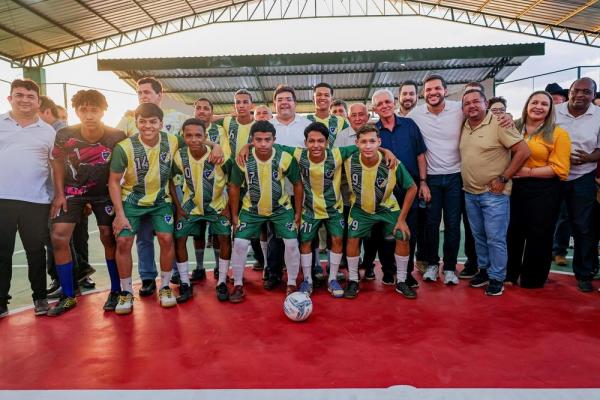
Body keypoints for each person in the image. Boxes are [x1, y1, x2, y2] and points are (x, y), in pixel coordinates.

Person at [47, 90, 126, 316]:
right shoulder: (64, 134)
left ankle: (116, 291)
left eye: (94, 110)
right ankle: (69, 295)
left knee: (108, 236)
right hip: (74, 191)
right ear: (77, 111)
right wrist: (60, 194)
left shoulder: (117, 136)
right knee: (59, 235)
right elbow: (58, 163)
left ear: (103, 111)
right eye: (84, 110)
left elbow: (124, 167)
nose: (89, 115)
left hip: (104, 193)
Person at [117, 77, 189, 297]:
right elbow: (114, 141)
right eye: (139, 93)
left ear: (160, 95)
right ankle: (148, 277)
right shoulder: (129, 119)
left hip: (166, 187)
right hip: (137, 191)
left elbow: (198, 128)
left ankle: (174, 273)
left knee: (169, 234)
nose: (142, 96)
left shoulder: (177, 118)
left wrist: (213, 145)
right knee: (144, 237)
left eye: (147, 92)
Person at [108, 103, 181, 314]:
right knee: (123, 241)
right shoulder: (124, 147)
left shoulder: (173, 141)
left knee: (167, 239)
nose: (147, 126)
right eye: (143, 121)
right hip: (132, 201)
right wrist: (120, 214)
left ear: (160, 123)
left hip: (160, 200)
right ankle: (126, 292)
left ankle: (165, 287)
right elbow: (113, 181)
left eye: (152, 121)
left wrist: (214, 146)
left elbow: (196, 136)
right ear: (136, 122)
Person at [460, 89, 530, 296]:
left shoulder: (499, 123)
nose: (472, 106)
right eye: (467, 103)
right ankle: (484, 271)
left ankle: (497, 277)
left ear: (485, 104)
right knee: (479, 236)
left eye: (476, 102)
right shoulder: (464, 125)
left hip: (494, 195)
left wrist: (504, 178)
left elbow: (524, 151)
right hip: (470, 193)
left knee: (495, 238)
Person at [228, 121, 303, 302]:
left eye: (267, 140)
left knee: (292, 243)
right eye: (258, 140)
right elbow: (234, 187)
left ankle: (291, 283)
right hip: (251, 209)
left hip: (280, 208)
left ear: (274, 140)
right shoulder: (243, 159)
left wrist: (298, 213)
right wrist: (235, 214)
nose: (263, 144)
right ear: (252, 140)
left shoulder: (285, 157)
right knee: (239, 244)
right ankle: (238, 284)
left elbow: (298, 184)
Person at [0, 79, 54, 318]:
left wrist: (56, 197)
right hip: (2, 200)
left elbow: (54, 167)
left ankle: (40, 298)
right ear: (10, 98)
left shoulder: (48, 131)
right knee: (2, 252)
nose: (24, 99)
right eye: (19, 95)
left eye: (30, 96)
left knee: (36, 251)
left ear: (38, 101)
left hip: (36, 201)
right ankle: (1, 300)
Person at [344, 124, 418, 299]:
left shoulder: (391, 162)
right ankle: (353, 280)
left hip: (387, 207)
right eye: (363, 142)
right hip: (361, 209)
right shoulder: (348, 159)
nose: (368, 145)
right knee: (352, 238)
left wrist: (402, 219)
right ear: (356, 143)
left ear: (379, 142)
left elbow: (412, 188)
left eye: (372, 141)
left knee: (403, 235)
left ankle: (401, 280)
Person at [506, 91, 571, 288]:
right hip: (515, 189)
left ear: (550, 109)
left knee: (539, 234)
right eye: (534, 102)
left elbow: (561, 169)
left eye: (544, 104)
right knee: (513, 232)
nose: (539, 106)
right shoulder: (513, 128)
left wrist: (528, 172)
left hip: (544, 190)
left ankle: (532, 279)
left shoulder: (559, 134)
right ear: (526, 105)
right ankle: (509, 274)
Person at [170, 118, 233, 302]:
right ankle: (184, 283)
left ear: (205, 137)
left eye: (198, 135)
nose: (194, 139)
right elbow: (169, 181)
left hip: (217, 206)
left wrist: (229, 207)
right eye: (189, 135)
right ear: (183, 136)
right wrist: (179, 206)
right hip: (191, 206)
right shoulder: (179, 156)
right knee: (179, 238)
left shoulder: (219, 156)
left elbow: (233, 182)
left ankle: (221, 281)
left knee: (224, 238)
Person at [372, 89, 428, 288]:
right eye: (380, 104)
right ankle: (388, 270)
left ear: (394, 102)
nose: (384, 106)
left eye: (387, 102)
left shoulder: (410, 125)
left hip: (409, 186)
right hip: (384, 188)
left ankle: (406, 273)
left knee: (407, 230)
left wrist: (422, 182)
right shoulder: (374, 131)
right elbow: (367, 147)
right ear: (375, 108)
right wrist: (384, 149)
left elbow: (421, 155)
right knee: (385, 232)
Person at [554, 78, 600, 292]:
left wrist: (590, 158)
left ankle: (584, 273)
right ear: (569, 92)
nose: (580, 95)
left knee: (583, 227)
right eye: (576, 91)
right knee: (544, 223)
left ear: (593, 95)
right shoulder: (554, 111)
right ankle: (538, 270)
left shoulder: (598, 116)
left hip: (583, 177)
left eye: (586, 92)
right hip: (552, 176)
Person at [266, 85, 311, 289]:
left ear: (295, 102)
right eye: (280, 99)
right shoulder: (266, 126)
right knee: (276, 236)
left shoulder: (307, 125)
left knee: (304, 234)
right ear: (274, 103)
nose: (284, 102)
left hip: (304, 190)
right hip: (275, 193)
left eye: (288, 99)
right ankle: (274, 273)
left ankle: (308, 273)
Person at [190, 97, 229, 281]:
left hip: (216, 187)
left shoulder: (219, 131)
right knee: (197, 232)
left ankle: (216, 267)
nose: (202, 111)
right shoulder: (188, 129)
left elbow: (223, 156)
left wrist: (215, 147)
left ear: (212, 112)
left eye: (206, 108)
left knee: (215, 232)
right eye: (198, 108)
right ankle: (198, 267)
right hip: (193, 187)